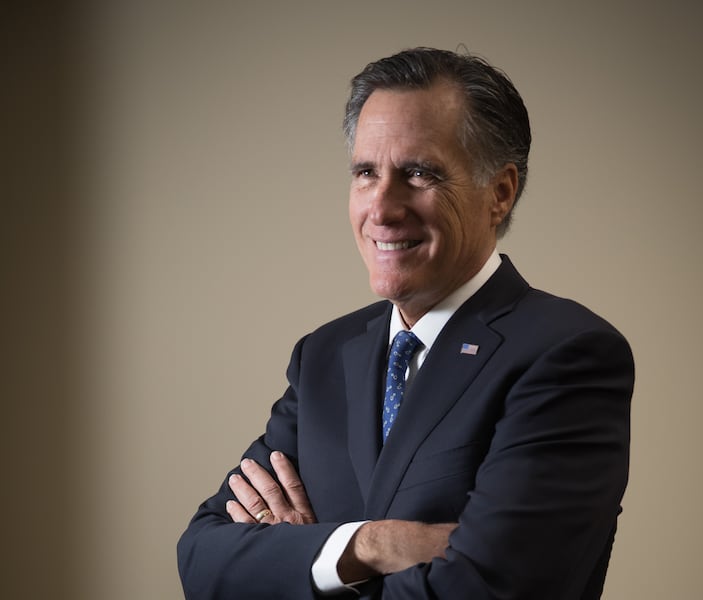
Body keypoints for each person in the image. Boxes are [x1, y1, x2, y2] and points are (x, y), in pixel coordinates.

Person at [177, 47, 634, 600]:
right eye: (366, 172)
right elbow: (203, 559)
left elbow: (488, 590)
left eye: (419, 173)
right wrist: (370, 545)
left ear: (500, 192)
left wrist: (302, 563)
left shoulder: (566, 354)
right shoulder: (324, 356)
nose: (383, 207)